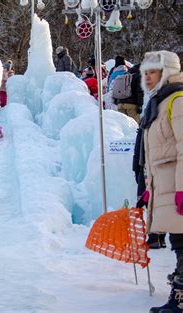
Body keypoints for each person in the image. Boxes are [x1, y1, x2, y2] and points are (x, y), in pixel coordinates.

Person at [133, 50, 183, 313]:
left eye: (153, 72)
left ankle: (181, 298)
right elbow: (157, 154)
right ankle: (178, 293)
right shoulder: (159, 102)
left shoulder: (178, 101)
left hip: (177, 186)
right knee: (178, 241)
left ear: (167, 73)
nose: (148, 77)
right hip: (164, 187)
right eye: (145, 73)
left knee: (182, 242)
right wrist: (148, 189)